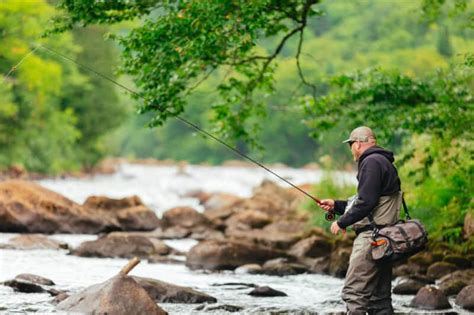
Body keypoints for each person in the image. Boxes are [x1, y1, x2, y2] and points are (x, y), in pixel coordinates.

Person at [319, 126, 402, 315]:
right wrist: (336, 206)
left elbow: (366, 202)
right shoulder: (382, 161)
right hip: (385, 237)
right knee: (379, 299)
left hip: (371, 239)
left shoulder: (371, 162)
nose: (351, 151)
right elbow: (371, 199)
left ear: (357, 144)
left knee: (354, 293)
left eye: (350, 145)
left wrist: (341, 223)